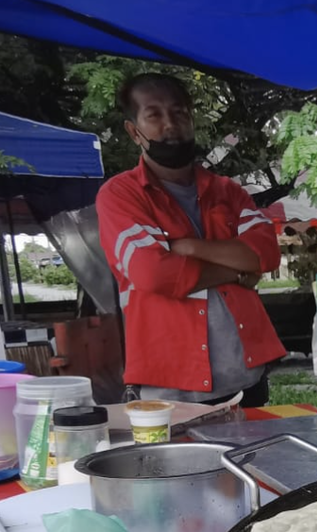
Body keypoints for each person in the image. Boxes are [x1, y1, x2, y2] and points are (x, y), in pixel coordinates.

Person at [97, 73, 285, 407]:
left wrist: (188, 247)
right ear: (133, 131)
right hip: (169, 384)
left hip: (246, 375)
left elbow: (267, 254)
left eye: (180, 113)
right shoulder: (120, 195)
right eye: (154, 115)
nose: (170, 124)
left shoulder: (228, 191)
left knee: (256, 460)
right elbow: (152, 273)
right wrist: (236, 271)